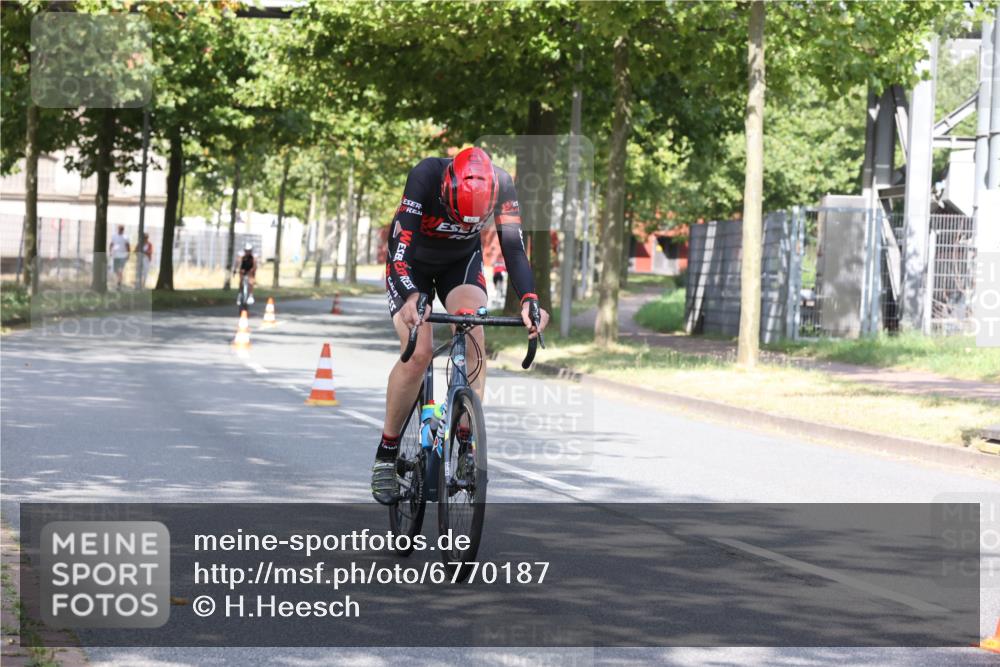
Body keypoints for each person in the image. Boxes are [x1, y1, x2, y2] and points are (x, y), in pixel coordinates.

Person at [372, 147, 549, 504]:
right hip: (412, 266)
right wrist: (409, 298)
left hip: (459, 264)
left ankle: (466, 446)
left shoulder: (502, 183)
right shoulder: (425, 175)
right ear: (447, 189)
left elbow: (513, 247)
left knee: (473, 337)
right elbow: (401, 243)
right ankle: (387, 455)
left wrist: (530, 299)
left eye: (474, 222)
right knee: (419, 352)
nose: (467, 225)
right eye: (459, 217)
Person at [108, 225, 130, 290]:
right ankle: (118, 280)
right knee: (115, 270)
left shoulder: (126, 237)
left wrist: (128, 254)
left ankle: (119, 283)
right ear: (118, 229)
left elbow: (128, 246)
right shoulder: (114, 236)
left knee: (120, 269)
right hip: (116, 255)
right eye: (120, 229)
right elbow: (111, 244)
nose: (120, 230)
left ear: (123, 230)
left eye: (122, 229)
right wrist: (110, 252)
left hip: (123, 256)